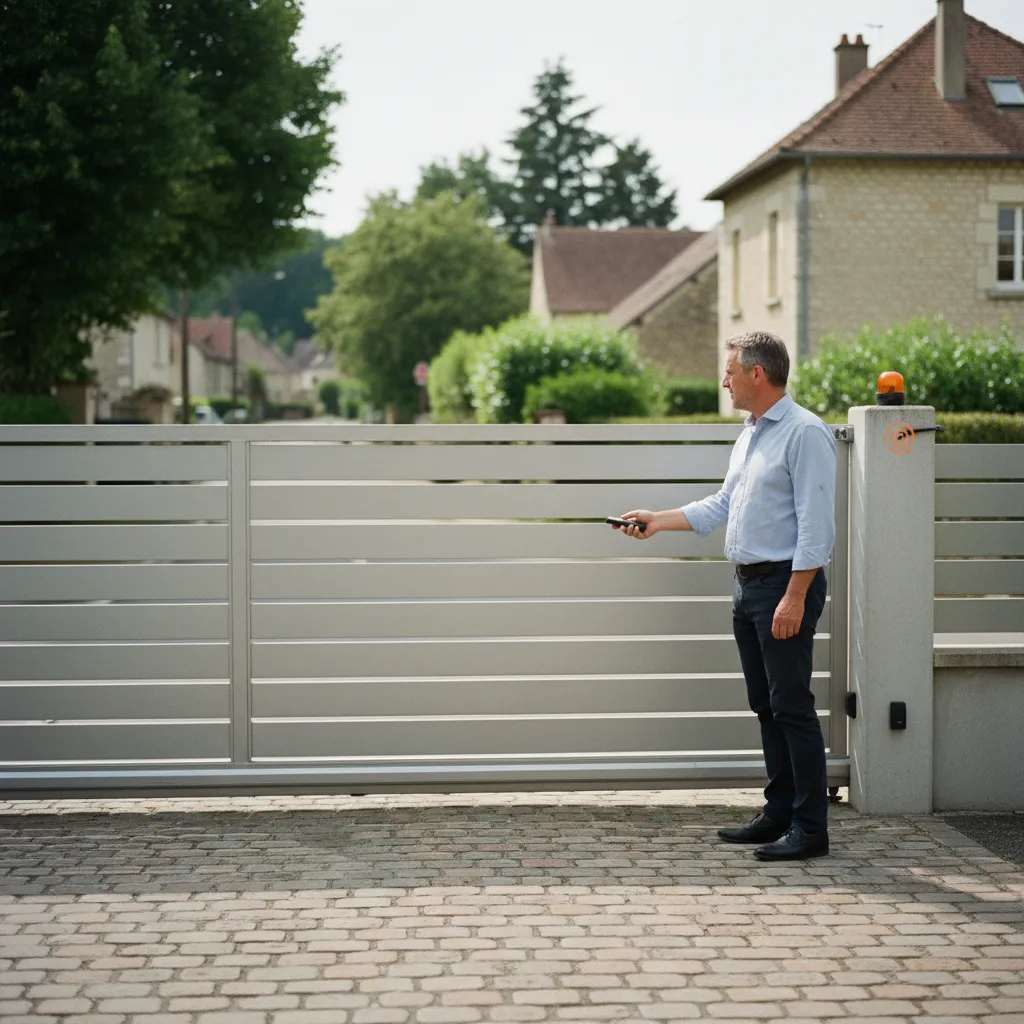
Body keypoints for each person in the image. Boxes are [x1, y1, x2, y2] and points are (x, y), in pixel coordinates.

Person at [613, 331, 836, 861]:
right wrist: (658, 520)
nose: (723, 381)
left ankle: (811, 829)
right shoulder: (751, 433)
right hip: (748, 587)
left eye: (730, 371)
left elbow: (816, 529)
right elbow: (722, 504)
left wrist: (794, 597)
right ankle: (779, 813)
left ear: (758, 373)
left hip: (784, 586)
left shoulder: (805, 433)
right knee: (767, 706)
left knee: (792, 708)